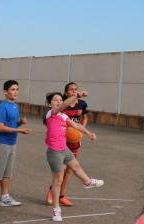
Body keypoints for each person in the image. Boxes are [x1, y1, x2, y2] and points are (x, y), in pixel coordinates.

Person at [44, 90, 104, 222]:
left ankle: (87, 181)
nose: (59, 101)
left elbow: (76, 124)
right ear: (49, 104)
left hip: (63, 148)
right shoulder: (51, 113)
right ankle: (56, 210)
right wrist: (76, 95)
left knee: (75, 166)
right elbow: (63, 106)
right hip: (54, 151)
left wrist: (88, 133)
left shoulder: (63, 116)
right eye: (55, 100)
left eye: (60, 99)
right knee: (58, 180)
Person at [0, 80, 32, 213]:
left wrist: (19, 123)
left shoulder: (15, 106)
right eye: (13, 89)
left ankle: (5, 198)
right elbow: (0, 127)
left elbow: (10, 125)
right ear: (5, 92)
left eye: (17, 89)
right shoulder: (2, 106)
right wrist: (20, 130)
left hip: (12, 143)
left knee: (7, 174)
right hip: (1, 143)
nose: (15, 92)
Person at [45, 82, 89, 207]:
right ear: (66, 93)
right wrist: (77, 95)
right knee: (61, 172)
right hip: (62, 142)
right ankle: (52, 192)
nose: (74, 91)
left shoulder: (81, 104)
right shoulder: (63, 106)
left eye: (76, 89)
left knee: (71, 169)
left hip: (74, 141)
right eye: (71, 90)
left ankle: (62, 196)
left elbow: (83, 119)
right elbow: (62, 108)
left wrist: (84, 132)